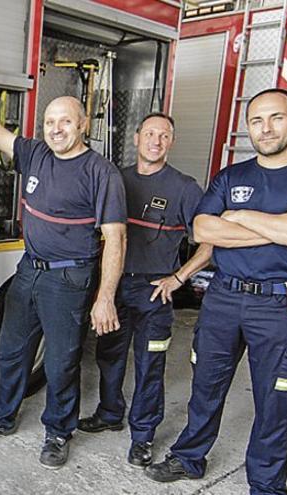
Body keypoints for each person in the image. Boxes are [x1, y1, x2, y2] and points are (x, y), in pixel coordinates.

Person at [145, 88, 287, 495]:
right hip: (223, 297)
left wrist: (240, 217)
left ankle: (267, 485)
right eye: (256, 120)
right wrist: (281, 225)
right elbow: (203, 230)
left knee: (275, 400)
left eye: (276, 118)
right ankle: (189, 457)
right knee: (206, 386)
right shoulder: (231, 177)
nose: (266, 128)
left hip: (277, 304)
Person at [0, 57, 127, 469]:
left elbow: (116, 238)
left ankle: (58, 433)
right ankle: (2, 416)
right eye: (49, 122)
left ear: (83, 125)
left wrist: (105, 297)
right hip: (30, 270)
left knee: (62, 361)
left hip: (70, 277)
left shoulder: (102, 173)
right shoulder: (36, 153)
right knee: (11, 350)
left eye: (65, 122)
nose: (56, 129)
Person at [77, 112, 213, 468]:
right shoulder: (115, 179)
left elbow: (211, 241)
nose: (156, 140)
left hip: (155, 292)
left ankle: (142, 436)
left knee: (150, 364)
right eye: (150, 133)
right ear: (136, 138)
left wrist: (179, 278)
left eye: (164, 135)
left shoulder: (184, 188)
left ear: (171, 143)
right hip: (115, 287)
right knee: (108, 354)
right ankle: (109, 413)